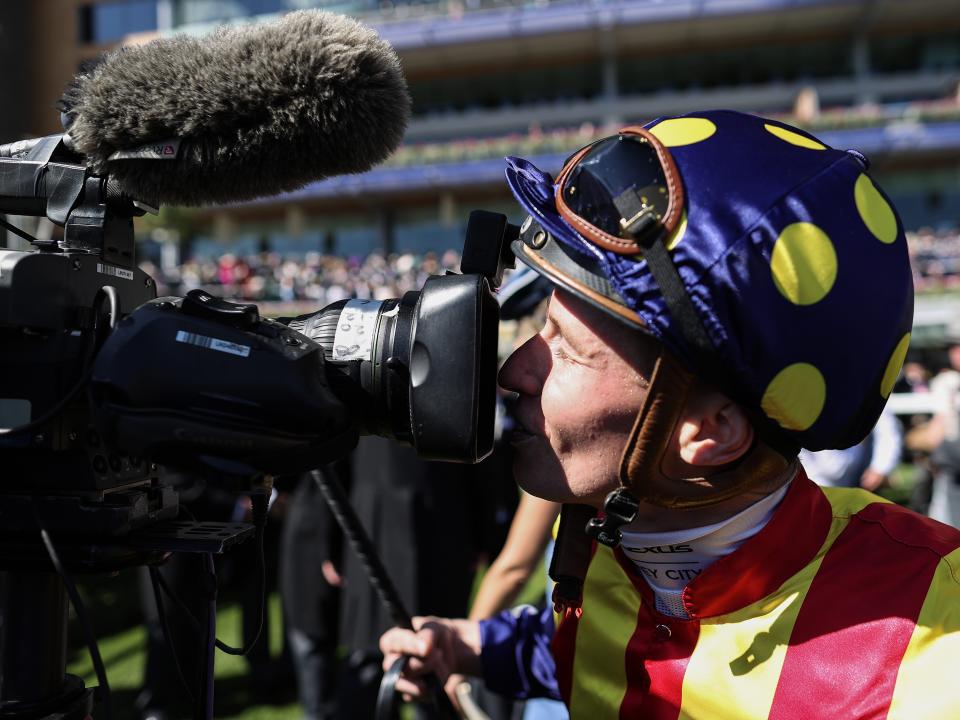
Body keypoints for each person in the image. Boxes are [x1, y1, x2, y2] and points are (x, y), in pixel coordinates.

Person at [379, 110, 960, 718]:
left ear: (708, 430)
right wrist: (468, 644)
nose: (512, 373)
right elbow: (594, 645)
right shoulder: (614, 536)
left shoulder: (935, 644)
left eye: (566, 349)